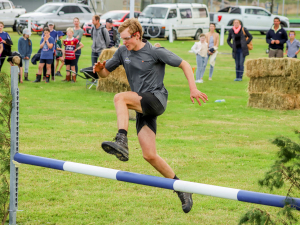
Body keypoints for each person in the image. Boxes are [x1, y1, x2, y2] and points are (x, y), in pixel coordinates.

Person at [93, 18, 208, 213]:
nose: (123, 43)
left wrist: (193, 88)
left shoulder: (155, 51)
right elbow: (105, 74)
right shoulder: (122, 51)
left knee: (120, 97)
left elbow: (185, 64)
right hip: (141, 105)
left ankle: (121, 138)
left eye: (126, 38)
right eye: (121, 39)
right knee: (149, 155)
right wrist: (99, 71)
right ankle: (182, 189)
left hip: (156, 99)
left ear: (137, 35)